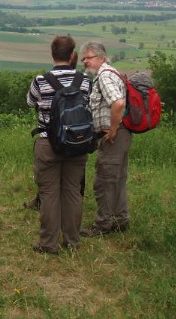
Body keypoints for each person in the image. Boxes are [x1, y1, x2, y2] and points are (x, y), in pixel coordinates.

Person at [26, 36, 90, 253]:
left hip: (47, 142)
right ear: (72, 55)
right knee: (73, 191)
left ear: (52, 54)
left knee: (49, 193)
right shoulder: (84, 80)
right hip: (77, 142)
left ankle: (49, 243)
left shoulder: (40, 80)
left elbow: (30, 102)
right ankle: (72, 241)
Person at [79, 42, 131, 237]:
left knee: (105, 181)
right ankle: (120, 220)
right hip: (122, 135)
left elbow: (118, 103)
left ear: (101, 57)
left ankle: (103, 225)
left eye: (88, 57)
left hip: (114, 137)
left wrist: (113, 130)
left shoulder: (105, 75)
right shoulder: (111, 73)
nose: (85, 61)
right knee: (117, 179)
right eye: (83, 58)